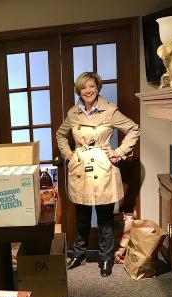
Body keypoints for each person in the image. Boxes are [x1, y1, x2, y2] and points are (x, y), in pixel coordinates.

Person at [56, 71, 140, 277]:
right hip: (80, 169)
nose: (88, 91)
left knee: (104, 219)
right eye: (84, 87)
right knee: (82, 217)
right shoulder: (73, 113)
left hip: (103, 169)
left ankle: (105, 259)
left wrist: (118, 152)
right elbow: (61, 134)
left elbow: (133, 129)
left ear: (97, 88)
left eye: (91, 86)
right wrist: (69, 154)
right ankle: (78, 254)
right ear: (79, 90)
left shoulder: (109, 111)